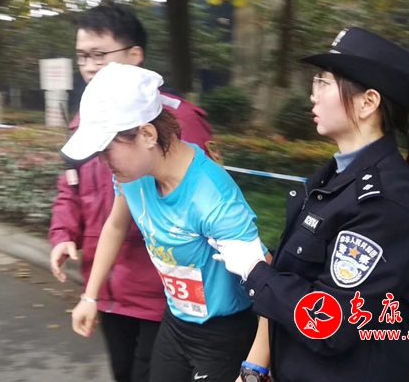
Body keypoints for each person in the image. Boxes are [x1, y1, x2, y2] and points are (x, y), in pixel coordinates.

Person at [212, 27, 409, 382]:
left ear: (368, 103)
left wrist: (256, 272)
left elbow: (331, 323)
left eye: (324, 82)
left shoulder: (382, 204)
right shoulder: (334, 178)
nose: (313, 95)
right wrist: (255, 369)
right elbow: (299, 278)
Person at [62, 63, 273, 382]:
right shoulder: (133, 175)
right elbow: (115, 226)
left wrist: (254, 370)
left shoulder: (212, 198)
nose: (102, 162)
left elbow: (269, 285)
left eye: (106, 149)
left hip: (224, 334)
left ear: (147, 134)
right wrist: (90, 297)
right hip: (175, 322)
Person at [48, 2, 213, 382]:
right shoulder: (87, 119)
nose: (89, 66)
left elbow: (203, 210)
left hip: (165, 295)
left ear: (135, 55)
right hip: (109, 287)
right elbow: (71, 185)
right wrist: (63, 233)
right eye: (82, 56)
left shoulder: (179, 120)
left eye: (99, 55)